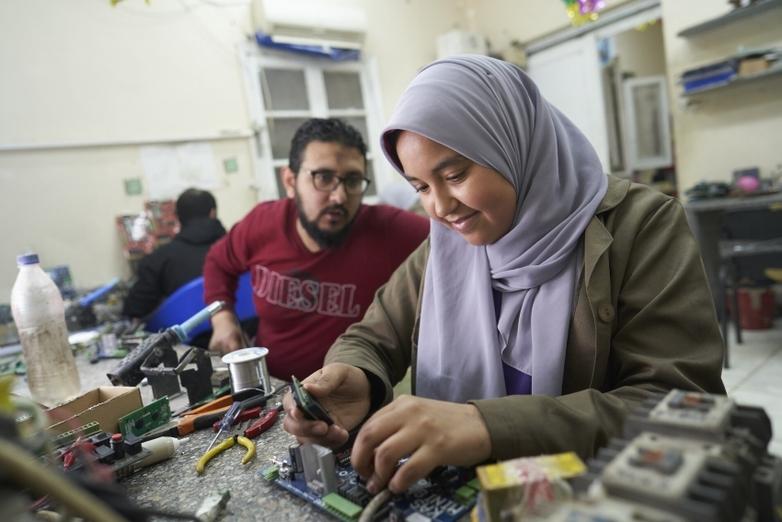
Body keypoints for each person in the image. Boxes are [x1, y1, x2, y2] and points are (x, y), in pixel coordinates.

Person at [282, 56, 726, 495]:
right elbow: (374, 335)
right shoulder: (446, 245)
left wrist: (488, 426)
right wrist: (356, 375)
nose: (439, 207)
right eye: (419, 187)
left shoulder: (641, 228)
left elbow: (680, 406)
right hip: (470, 496)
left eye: (454, 174)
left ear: (512, 144)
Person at [203, 118, 429, 379]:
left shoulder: (389, 231)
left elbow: (453, 240)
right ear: (290, 181)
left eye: (353, 180)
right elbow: (218, 262)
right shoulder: (262, 224)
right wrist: (222, 318)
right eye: (323, 177)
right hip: (270, 391)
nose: (339, 197)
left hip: (353, 399)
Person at [123, 188, 225, 320]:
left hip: (187, 337)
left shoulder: (158, 260)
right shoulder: (238, 249)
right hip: (242, 332)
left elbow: (134, 309)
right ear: (213, 213)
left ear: (177, 217)